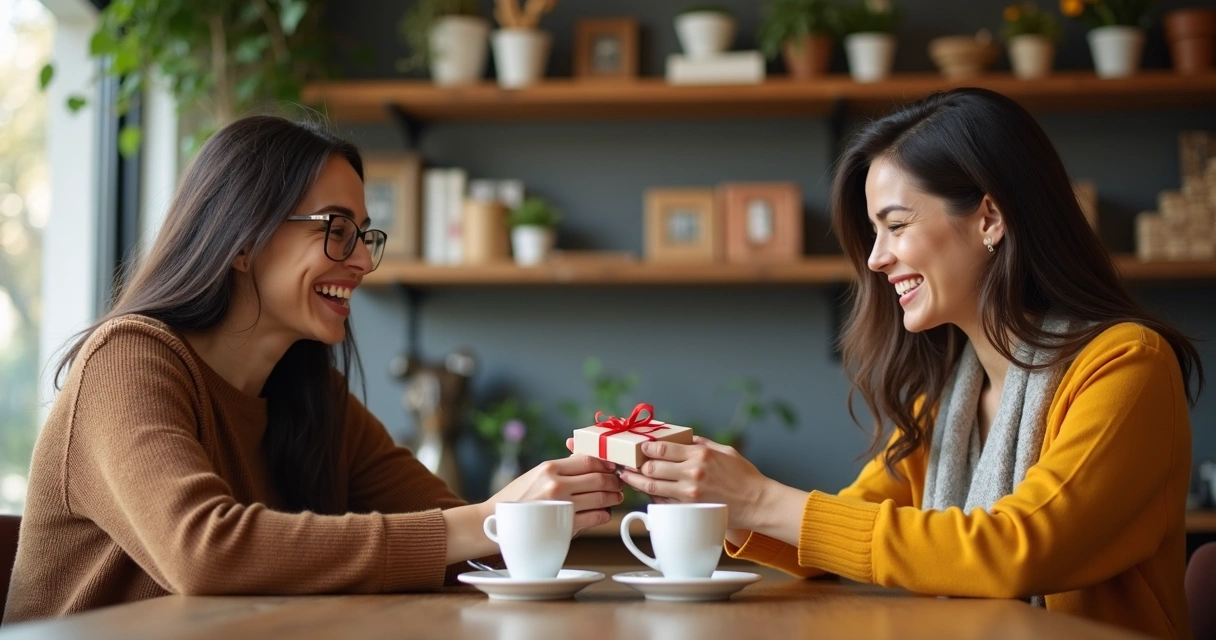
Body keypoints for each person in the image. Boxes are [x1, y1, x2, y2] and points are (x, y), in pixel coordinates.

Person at [609, 88, 1202, 639]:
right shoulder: (949, 397)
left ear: (990, 218)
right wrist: (718, 497)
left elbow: (1020, 547)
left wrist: (761, 499)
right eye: (874, 232)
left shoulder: (1127, 368)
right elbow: (843, 530)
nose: (875, 258)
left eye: (896, 225)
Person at [3, 115, 623, 623]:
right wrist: (493, 518)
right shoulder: (128, 360)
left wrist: (549, 507)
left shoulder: (309, 395)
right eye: (335, 230)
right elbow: (205, 553)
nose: (360, 262)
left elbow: (465, 548)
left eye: (363, 235)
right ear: (241, 241)